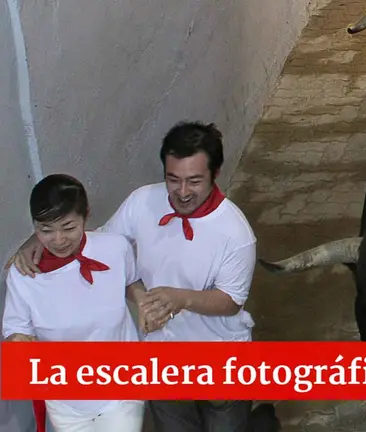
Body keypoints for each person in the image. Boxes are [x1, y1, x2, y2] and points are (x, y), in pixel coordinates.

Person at [5, 121, 269, 432]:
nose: (183, 192)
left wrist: (181, 298)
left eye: (194, 181)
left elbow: (231, 302)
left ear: (215, 174)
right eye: (173, 179)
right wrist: (40, 240)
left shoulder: (235, 233)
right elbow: (97, 243)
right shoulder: (142, 202)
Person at [2, 173, 147, 432]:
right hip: (65, 401)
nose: (58, 240)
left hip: (121, 390)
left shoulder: (114, 247)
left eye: (68, 227)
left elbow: (129, 279)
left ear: (86, 216)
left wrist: (144, 303)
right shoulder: (24, 274)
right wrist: (18, 343)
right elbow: (16, 329)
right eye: (45, 230)